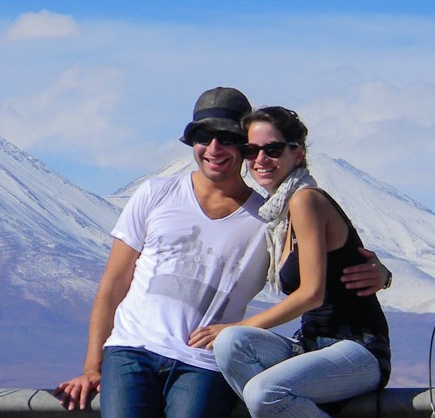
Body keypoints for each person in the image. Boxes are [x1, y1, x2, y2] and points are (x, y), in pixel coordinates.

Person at [54, 88, 391, 417]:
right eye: (204, 135)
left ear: (296, 153)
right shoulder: (266, 214)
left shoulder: (275, 215)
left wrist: (382, 273)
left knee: (256, 381)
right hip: (137, 351)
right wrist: (91, 366)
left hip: (225, 359)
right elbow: (113, 284)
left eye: (230, 139)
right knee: (236, 349)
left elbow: (321, 279)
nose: (259, 159)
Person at [189, 106, 391, 417]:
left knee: (263, 391)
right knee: (231, 344)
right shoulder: (276, 216)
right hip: (310, 346)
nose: (260, 160)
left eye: (272, 149)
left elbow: (312, 294)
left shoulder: (305, 199)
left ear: (297, 154)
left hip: (359, 350)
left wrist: (238, 324)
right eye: (251, 150)